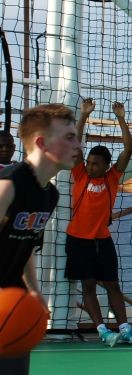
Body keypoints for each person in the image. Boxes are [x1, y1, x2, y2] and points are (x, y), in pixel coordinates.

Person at [0, 103, 80, 375]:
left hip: (13, 302)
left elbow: (26, 245)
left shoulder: (49, 195)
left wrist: (34, 292)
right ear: (42, 142)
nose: (77, 145)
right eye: (69, 137)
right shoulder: (8, 185)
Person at [65, 99, 132, 346]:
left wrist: (121, 118)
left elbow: (128, 149)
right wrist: (84, 115)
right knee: (88, 285)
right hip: (78, 240)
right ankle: (102, 331)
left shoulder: (112, 178)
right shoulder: (79, 175)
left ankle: (125, 329)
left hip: (102, 240)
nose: (90, 166)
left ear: (107, 166)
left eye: (96, 163)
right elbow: (74, 146)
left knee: (112, 285)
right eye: (89, 162)